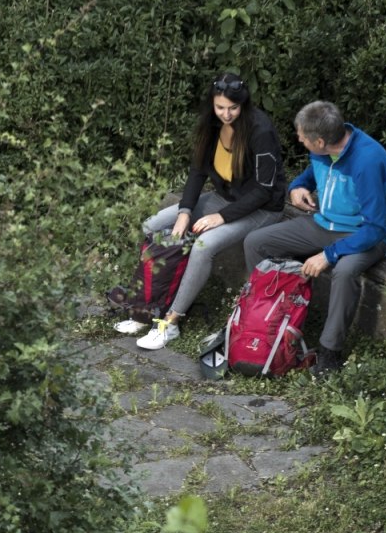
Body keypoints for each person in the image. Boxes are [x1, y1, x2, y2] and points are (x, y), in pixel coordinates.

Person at [117, 73, 288, 350]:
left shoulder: (261, 131)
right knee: (153, 225)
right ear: (213, 105)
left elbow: (264, 191)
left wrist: (221, 217)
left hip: (262, 208)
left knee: (203, 246)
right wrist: (186, 210)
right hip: (226, 199)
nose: (227, 114)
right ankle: (148, 306)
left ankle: (171, 322)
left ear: (243, 104)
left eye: (233, 108)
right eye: (221, 107)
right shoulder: (210, 124)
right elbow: (197, 172)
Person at [242, 100, 386, 377]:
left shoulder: (368, 160)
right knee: (256, 242)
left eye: (302, 136)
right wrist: (298, 187)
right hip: (323, 224)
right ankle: (269, 319)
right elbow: (310, 176)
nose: (299, 139)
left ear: (321, 141)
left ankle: (329, 352)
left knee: (345, 271)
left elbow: (375, 227)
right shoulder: (324, 152)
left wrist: (329, 255)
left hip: (363, 234)